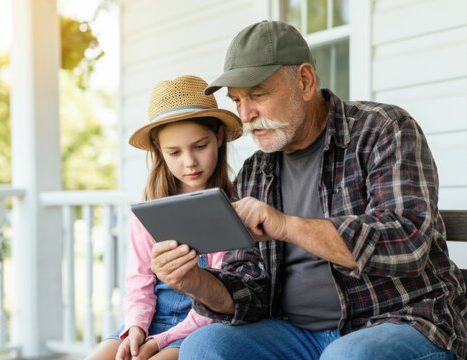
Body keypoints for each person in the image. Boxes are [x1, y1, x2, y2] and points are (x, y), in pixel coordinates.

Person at [150, 20, 467, 360]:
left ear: (304, 80)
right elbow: (250, 289)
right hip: (295, 333)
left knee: (346, 356)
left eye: (257, 95)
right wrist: (194, 280)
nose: (245, 115)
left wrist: (286, 226)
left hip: (398, 321)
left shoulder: (382, 129)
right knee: (204, 346)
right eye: (237, 100)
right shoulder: (255, 171)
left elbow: (407, 241)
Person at [85, 75, 242, 360]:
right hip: (150, 320)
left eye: (200, 146)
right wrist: (136, 329)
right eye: (174, 152)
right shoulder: (149, 207)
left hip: (200, 326)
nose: (190, 162)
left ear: (219, 137)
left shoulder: (234, 207)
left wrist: (160, 342)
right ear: (159, 151)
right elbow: (139, 281)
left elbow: (223, 300)